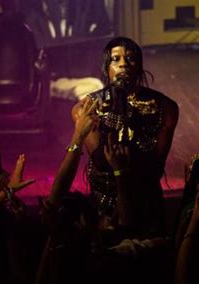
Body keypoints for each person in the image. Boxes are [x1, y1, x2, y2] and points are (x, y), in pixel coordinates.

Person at [72, 37, 179, 236]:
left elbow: (156, 165)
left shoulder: (166, 107)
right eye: (116, 59)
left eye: (130, 59)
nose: (123, 64)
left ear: (139, 67)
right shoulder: (85, 109)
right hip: (105, 203)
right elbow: (101, 161)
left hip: (146, 201)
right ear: (106, 68)